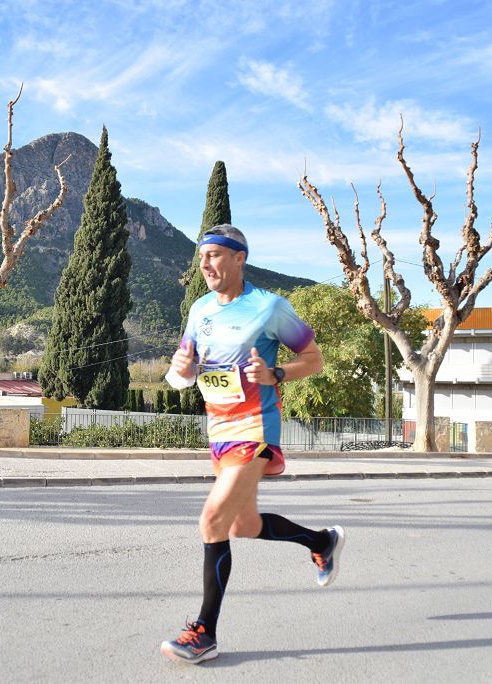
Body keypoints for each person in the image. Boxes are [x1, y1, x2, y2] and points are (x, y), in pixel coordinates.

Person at [159, 224, 344, 664]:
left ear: (240, 258)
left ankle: (204, 632)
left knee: (212, 520)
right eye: (202, 257)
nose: (206, 264)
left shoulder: (269, 307)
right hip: (218, 432)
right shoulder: (200, 308)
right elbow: (183, 375)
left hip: (256, 428)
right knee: (242, 525)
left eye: (216, 255)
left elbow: (314, 360)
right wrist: (181, 366)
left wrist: (276, 374)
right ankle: (321, 541)